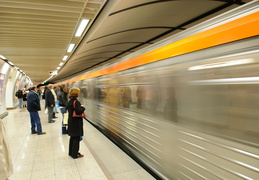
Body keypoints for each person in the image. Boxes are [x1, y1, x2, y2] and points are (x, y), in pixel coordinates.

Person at [67, 87, 85, 159]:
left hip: (71, 121)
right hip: (76, 122)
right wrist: (82, 107)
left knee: (72, 138)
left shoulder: (70, 101)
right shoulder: (76, 102)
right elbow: (78, 111)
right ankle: (75, 154)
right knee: (76, 138)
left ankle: (71, 152)